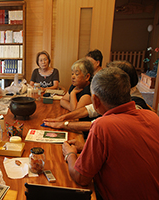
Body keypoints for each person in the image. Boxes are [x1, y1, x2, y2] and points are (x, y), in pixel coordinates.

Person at [62, 67, 159, 200]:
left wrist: (70, 153)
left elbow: (81, 177)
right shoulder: (153, 117)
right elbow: (125, 152)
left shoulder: (102, 125)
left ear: (95, 100)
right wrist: (86, 147)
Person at [44, 61, 151, 133]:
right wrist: (63, 118)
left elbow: (99, 125)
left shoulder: (136, 106)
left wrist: (64, 124)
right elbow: (90, 109)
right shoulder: (117, 95)